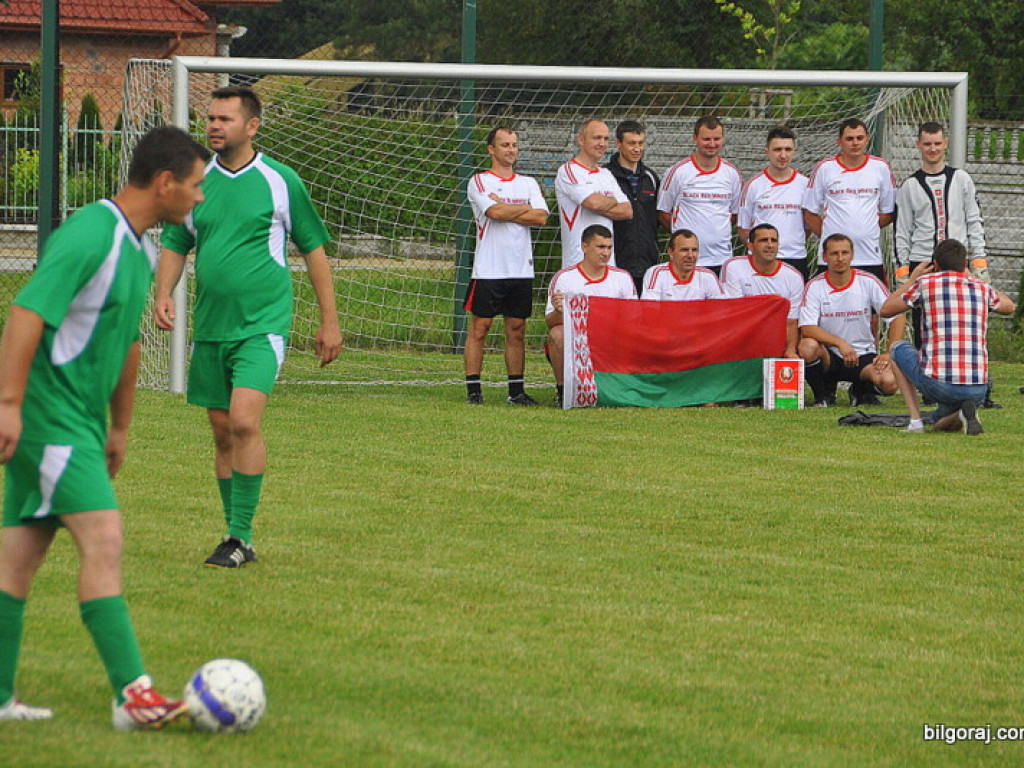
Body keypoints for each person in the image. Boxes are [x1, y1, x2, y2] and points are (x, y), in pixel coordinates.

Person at [0, 126, 209, 727]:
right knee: (104, 538)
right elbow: (26, 311)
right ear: (165, 182)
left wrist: (119, 429)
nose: (199, 199)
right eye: (194, 187)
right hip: (49, 421)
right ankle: (132, 696)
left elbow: (127, 347)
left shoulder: (138, 247)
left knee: (19, 557)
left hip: (80, 427)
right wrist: (9, 404)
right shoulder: (91, 233)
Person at [155, 86, 343, 569]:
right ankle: (233, 534)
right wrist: (162, 294)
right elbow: (176, 242)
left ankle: (241, 536)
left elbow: (314, 250)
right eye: (210, 118)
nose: (214, 126)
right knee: (221, 433)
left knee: (243, 421)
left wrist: (330, 321)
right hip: (212, 327)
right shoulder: (194, 182)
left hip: (264, 324)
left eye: (224, 119)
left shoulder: (280, 180)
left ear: (252, 126)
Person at [894, 121, 1000, 408]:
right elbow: (901, 231)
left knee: (973, 324)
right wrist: (904, 274)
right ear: (918, 145)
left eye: (937, 143)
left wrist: (979, 264)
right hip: (924, 264)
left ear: (946, 144)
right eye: (927, 144)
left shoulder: (962, 179)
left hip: (958, 262)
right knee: (924, 326)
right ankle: (930, 387)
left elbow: (974, 220)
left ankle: (981, 388)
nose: (932, 149)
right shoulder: (909, 186)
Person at [880, 239, 1015, 434]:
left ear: (935, 264)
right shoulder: (981, 288)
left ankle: (916, 422)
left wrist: (911, 280)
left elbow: (886, 310)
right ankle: (963, 414)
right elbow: (1009, 306)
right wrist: (973, 278)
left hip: (939, 384)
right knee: (937, 421)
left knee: (896, 349)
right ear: (965, 264)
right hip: (978, 388)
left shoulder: (925, 284)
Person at [464, 126, 549, 406]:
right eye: (504, 145)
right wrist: (522, 209)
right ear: (491, 149)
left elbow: (541, 218)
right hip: (489, 269)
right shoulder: (479, 181)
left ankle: (516, 392)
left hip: (520, 269)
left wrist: (509, 210)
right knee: (480, 329)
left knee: (516, 329)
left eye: (514, 145)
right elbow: (494, 212)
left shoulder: (528, 183)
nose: (510, 150)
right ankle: (474, 392)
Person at [799, 234, 903, 407]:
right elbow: (808, 328)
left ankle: (860, 390)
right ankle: (823, 395)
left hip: (863, 355)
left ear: (852, 255)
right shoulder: (815, 286)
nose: (840, 258)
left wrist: (889, 352)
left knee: (890, 383)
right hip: (830, 356)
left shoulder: (868, 281)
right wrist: (839, 343)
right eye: (834, 254)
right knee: (807, 346)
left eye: (844, 253)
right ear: (824, 257)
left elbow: (898, 315)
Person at [546, 225, 636, 405]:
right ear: (585, 247)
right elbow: (551, 322)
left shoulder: (622, 277)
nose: (606, 253)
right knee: (557, 334)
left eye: (609, 247)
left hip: (612, 341)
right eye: (600, 247)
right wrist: (559, 311)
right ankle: (563, 392)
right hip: (580, 343)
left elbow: (633, 318)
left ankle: (625, 385)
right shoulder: (565, 277)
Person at [803, 118, 896, 281]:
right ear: (839, 141)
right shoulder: (825, 168)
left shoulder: (881, 167)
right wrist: (829, 237)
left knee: (875, 306)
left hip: (869, 256)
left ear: (867, 139)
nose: (855, 143)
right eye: (849, 138)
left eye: (859, 138)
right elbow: (809, 213)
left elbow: (889, 213)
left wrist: (866, 229)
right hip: (832, 259)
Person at [657, 115, 743, 274]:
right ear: (695, 138)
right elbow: (663, 212)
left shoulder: (732, 174)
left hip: (721, 258)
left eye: (716, 139)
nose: (712, 144)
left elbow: (734, 214)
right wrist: (683, 238)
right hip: (686, 261)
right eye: (706, 139)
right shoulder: (678, 172)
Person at [555, 119, 633, 268]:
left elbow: (627, 211)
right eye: (597, 138)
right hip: (578, 265)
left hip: (608, 266)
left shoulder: (606, 174)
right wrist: (613, 200)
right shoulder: (568, 170)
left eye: (605, 139)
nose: (602, 144)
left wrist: (600, 203)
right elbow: (593, 203)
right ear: (581, 140)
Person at [720, 224, 803, 359]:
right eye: (764, 240)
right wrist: (770, 302)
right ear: (750, 246)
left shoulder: (794, 277)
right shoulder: (733, 267)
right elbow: (734, 313)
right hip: (741, 337)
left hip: (774, 340)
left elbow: (791, 322)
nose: (770, 245)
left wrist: (790, 350)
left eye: (774, 240)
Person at [738, 126, 811, 279]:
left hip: (795, 258)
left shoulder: (806, 185)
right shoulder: (753, 185)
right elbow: (744, 229)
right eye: (777, 149)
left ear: (794, 152)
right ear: (767, 152)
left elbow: (809, 226)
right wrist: (761, 252)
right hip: (761, 261)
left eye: (788, 149)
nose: (783, 155)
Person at [605, 119, 661, 295]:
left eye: (640, 143)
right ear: (618, 143)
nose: (637, 149)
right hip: (616, 258)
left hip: (647, 261)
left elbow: (657, 216)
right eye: (631, 143)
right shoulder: (605, 176)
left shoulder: (650, 177)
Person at [641, 229, 724, 301]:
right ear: (671, 252)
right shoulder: (656, 274)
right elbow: (650, 311)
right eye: (684, 250)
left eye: (694, 250)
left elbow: (720, 310)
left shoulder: (708, 276)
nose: (690, 255)